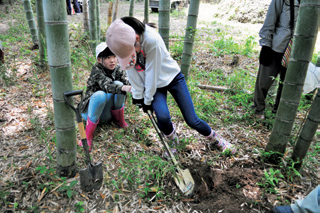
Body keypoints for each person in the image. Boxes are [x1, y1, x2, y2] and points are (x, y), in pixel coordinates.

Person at [106, 17, 236, 157]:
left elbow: (152, 74)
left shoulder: (152, 40)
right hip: (155, 86)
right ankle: (173, 141)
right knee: (162, 117)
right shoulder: (122, 43)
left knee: (192, 120)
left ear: (136, 38)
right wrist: (138, 97)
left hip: (172, 77)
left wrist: (148, 99)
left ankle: (216, 139)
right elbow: (131, 71)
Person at [251, 0, 300, 120]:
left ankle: (278, 112)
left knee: (287, 85)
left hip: (297, 50)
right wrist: (266, 45)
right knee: (263, 82)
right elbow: (269, 21)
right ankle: (258, 109)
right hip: (277, 47)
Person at [79, 42, 132, 151]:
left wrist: (135, 86)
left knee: (120, 83)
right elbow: (107, 85)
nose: (112, 60)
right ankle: (88, 135)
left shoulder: (117, 68)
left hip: (106, 112)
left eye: (114, 56)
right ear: (99, 60)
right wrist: (125, 88)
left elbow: (126, 81)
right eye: (108, 57)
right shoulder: (96, 70)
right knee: (100, 95)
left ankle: (119, 120)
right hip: (90, 111)